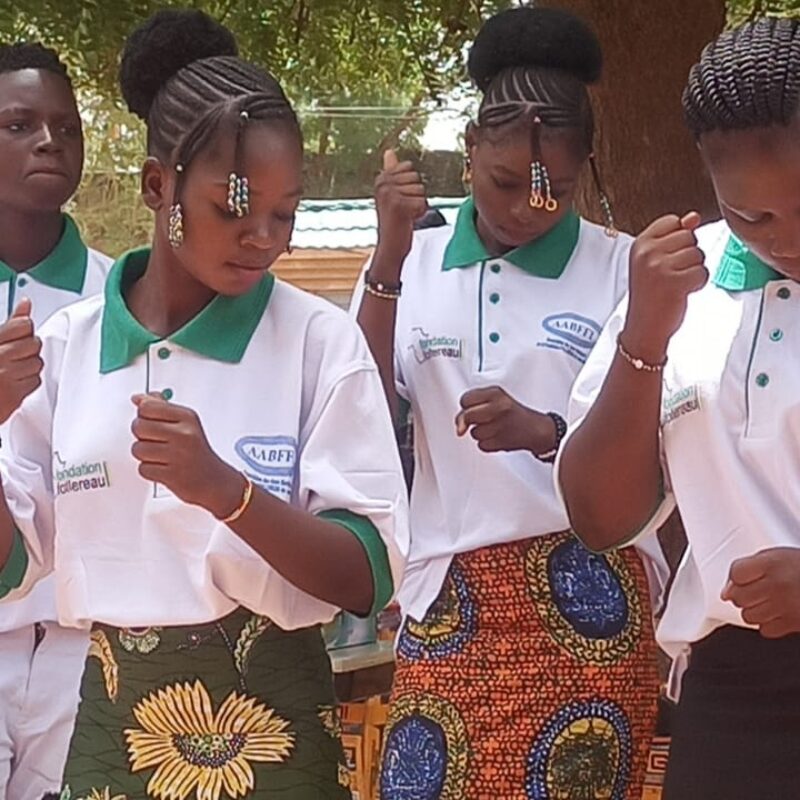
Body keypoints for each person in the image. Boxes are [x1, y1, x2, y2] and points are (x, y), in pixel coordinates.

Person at [0, 9, 408, 799]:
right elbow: (13, 560)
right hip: (111, 725)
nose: (263, 237)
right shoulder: (67, 347)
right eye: (233, 207)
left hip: (277, 718)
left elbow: (365, 575)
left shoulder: (319, 342)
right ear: (160, 187)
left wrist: (228, 491)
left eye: (284, 214)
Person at [354, 7, 660, 798]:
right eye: (503, 182)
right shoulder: (408, 264)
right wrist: (387, 260)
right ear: (468, 153)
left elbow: (656, 446)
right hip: (449, 599)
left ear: (586, 162)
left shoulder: (624, 270)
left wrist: (551, 432)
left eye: (553, 188)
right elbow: (357, 417)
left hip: (592, 594)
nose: (529, 205)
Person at [557, 16, 800, 800]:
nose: (789, 238)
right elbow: (601, 518)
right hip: (733, 696)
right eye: (755, 218)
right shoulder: (681, 299)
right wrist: (645, 339)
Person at [0, 42, 112, 800]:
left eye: (66, 127)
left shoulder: (124, 303)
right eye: (18, 123)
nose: (49, 141)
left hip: (87, 649)